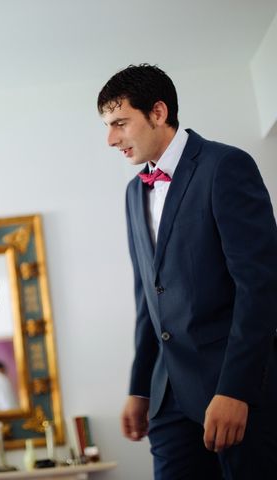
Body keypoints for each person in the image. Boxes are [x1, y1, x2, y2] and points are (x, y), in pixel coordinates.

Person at [97, 63, 277, 479]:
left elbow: (260, 287)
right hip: (167, 400)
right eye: (107, 126)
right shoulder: (133, 192)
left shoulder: (225, 166)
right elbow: (148, 296)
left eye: (120, 123)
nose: (110, 139)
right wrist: (140, 386)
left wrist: (236, 389)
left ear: (158, 113)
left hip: (232, 391)